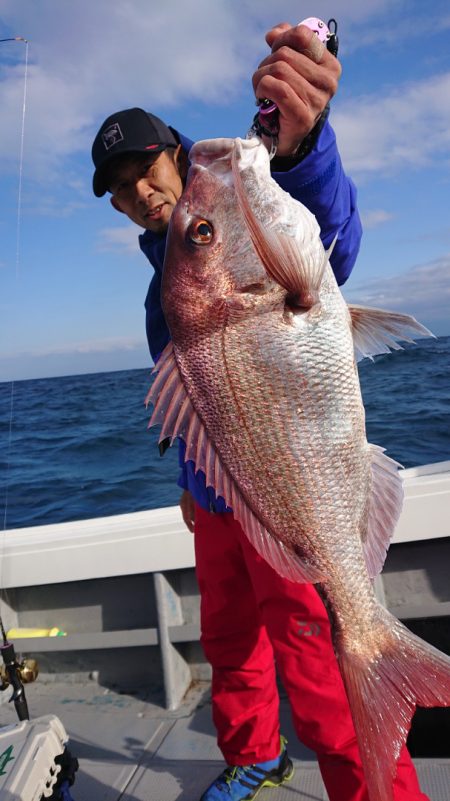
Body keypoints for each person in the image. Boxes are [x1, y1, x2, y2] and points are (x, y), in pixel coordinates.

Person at [91, 22, 429, 801]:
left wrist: (305, 149)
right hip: (217, 497)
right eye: (121, 185)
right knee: (228, 642)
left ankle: (377, 790)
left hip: (287, 494)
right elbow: (198, 400)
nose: (141, 189)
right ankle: (253, 752)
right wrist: (190, 479)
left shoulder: (236, 240)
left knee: (319, 664)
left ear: (176, 154)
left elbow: (325, 237)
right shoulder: (170, 281)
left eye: (147, 167)